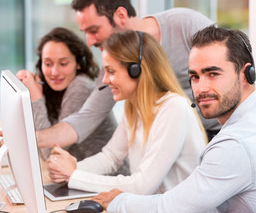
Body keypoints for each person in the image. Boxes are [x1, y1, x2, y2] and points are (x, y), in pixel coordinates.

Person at [92, 25, 256, 213]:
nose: (201, 88)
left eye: (213, 74)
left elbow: (170, 208)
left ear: (246, 74)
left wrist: (117, 201)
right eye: (195, 77)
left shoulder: (235, 145)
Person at [35, 0, 221, 152]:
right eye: (85, 33)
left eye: (94, 30)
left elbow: (231, 71)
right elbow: (86, 117)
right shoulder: (114, 68)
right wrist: (30, 138)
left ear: (121, 15)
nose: (89, 42)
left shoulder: (185, 24)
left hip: (219, 135)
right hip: (175, 144)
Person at [46, 30, 207, 194]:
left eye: (111, 71)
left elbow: (142, 185)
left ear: (136, 70)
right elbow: (110, 157)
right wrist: (69, 169)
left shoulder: (174, 108)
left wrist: (74, 175)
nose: (104, 80)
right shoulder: (135, 107)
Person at [15, 27, 117, 161]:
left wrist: (36, 99)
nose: (54, 72)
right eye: (48, 64)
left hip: (105, 178)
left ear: (79, 64)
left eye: (63, 63)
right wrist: (25, 96)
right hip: (76, 174)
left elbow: (49, 153)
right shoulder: (51, 87)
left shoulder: (81, 87)